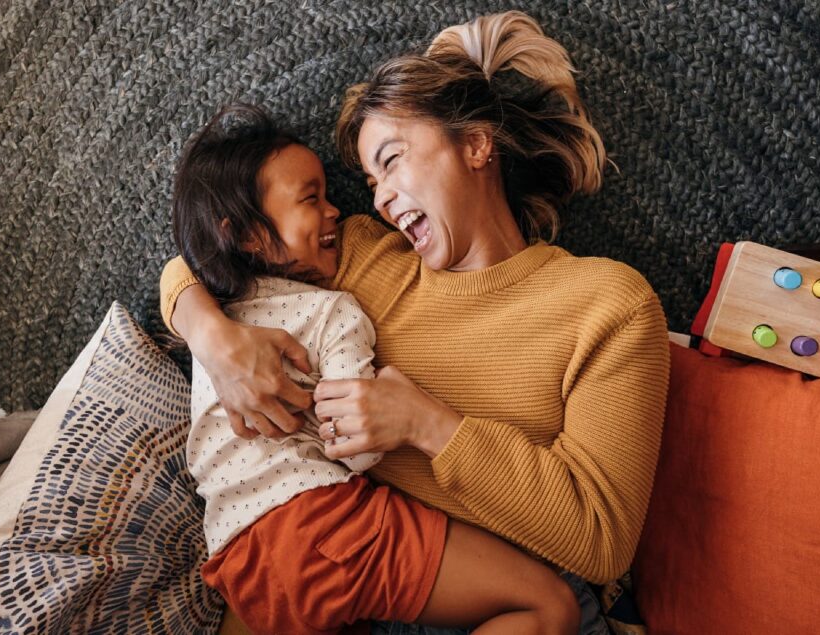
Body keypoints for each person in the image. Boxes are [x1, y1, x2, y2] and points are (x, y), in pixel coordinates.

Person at [161, 12, 669, 632]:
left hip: (522, 606)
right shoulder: (360, 253)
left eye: (392, 160)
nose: (373, 199)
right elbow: (203, 254)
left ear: (477, 145)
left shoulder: (608, 303)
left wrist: (429, 424)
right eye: (370, 180)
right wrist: (214, 338)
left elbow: (602, 539)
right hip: (347, 576)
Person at [173, 103, 580, 634]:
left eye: (390, 163)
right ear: (248, 234)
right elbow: (359, 448)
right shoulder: (326, 310)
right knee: (549, 607)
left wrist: (204, 324)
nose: (340, 210)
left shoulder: (218, 320)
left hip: (239, 564)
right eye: (312, 198)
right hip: (324, 524)